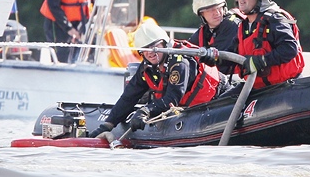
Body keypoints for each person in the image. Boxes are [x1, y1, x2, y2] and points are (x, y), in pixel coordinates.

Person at [89, 22, 220, 138]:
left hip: (216, 101)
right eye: (145, 50)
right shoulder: (147, 67)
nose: (150, 53)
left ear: (164, 44)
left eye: (154, 47)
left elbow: (172, 99)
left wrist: (146, 111)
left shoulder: (179, 62)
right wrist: (108, 124)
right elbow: (129, 96)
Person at [219, 0, 305, 96]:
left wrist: (261, 61)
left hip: (285, 87)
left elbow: (290, 49)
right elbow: (233, 57)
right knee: (221, 104)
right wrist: (214, 58)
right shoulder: (244, 26)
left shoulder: (275, 19)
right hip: (258, 89)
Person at [188, 0, 243, 93]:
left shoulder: (232, 25)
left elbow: (219, 61)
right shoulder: (204, 32)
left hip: (234, 81)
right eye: (210, 10)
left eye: (219, 8)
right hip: (216, 83)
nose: (217, 13)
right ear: (201, 14)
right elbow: (187, 48)